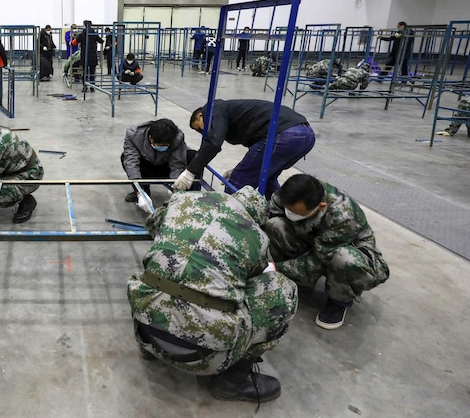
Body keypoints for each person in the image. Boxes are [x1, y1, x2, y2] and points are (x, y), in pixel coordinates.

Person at [128, 186, 297, 403]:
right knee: (281, 289)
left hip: (145, 329)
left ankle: (148, 350)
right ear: (255, 217)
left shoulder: (184, 201)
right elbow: (254, 279)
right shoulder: (257, 237)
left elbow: (153, 224)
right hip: (204, 359)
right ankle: (232, 381)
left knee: (160, 271)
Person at [263, 174, 389, 329]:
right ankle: (285, 279)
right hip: (312, 237)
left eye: (296, 212)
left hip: (345, 248)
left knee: (344, 259)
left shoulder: (343, 216)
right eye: (288, 209)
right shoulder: (287, 194)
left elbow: (318, 259)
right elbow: (268, 220)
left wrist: (275, 267)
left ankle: (339, 300)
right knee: (275, 225)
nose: (290, 213)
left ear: (321, 206)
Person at [176, 99, 315, 200]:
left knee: (238, 180)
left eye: (199, 126)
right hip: (305, 134)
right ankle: (279, 212)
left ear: (201, 115)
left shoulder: (213, 108)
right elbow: (257, 151)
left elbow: (213, 143)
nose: (202, 131)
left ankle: (230, 224)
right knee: (266, 178)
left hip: (285, 133)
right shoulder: (232, 115)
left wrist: (189, 172)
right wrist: (248, 168)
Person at [121, 118, 196, 212]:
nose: (163, 147)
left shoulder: (177, 137)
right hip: (147, 165)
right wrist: (139, 192)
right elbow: (131, 162)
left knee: (191, 156)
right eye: (160, 145)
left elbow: (177, 163)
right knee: (125, 157)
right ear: (150, 138)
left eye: (166, 145)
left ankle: (185, 196)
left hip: (165, 166)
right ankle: (144, 191)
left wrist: (176, 186)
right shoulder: (134, 135)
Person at [75, 20, 102, 92]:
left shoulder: (82, 33)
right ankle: (92, 87)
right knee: (92, 72)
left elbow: (75, 42)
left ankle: (85, 87)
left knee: (85, 72)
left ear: (84, 25)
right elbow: (101, 41)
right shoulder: (94, 33)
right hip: (93, 55)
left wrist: (71, 42)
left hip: (85, 56)